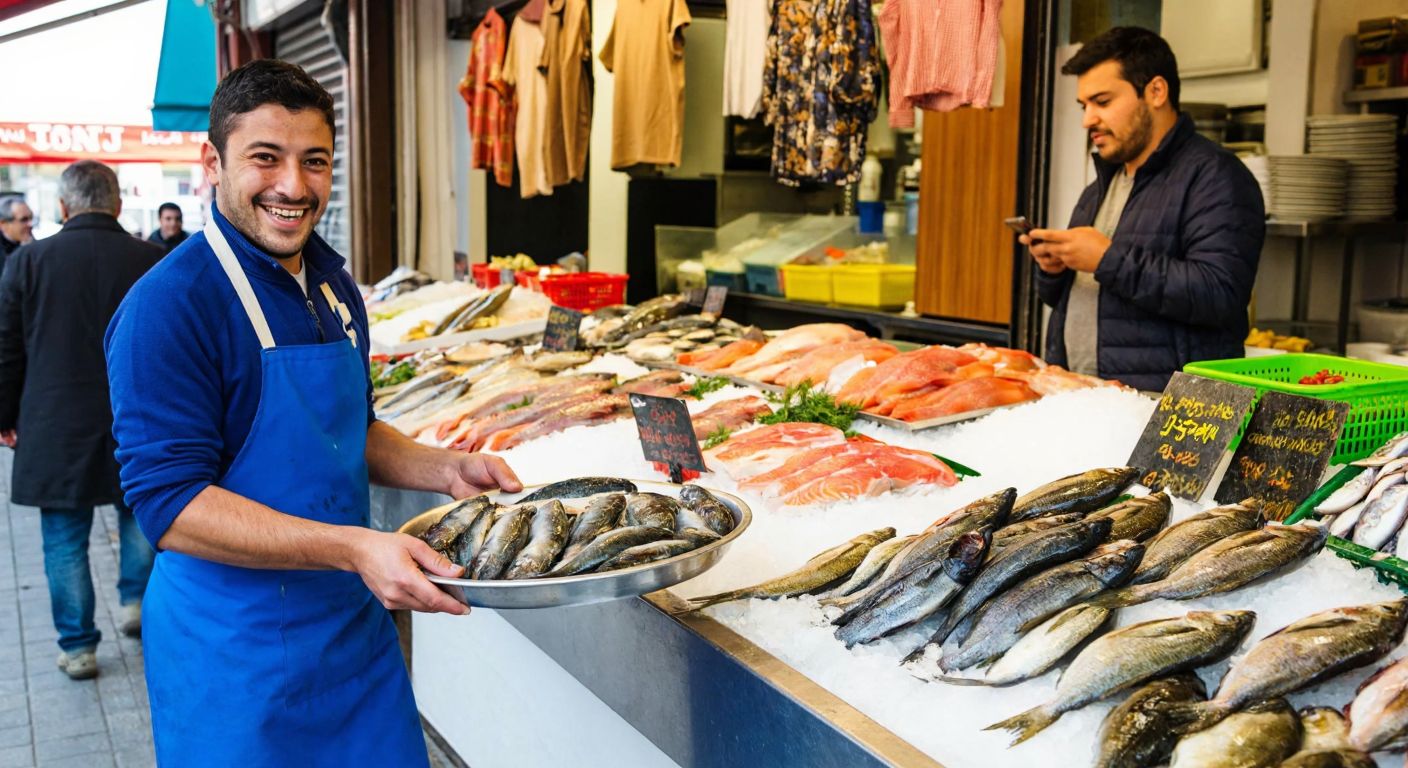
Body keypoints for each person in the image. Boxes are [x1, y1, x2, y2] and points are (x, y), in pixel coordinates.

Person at [105, 59, 521, 765]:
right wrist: (356, 546)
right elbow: (170, 508)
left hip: (350, 635)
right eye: (265, 159)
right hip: (235, 657)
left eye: (315, 161)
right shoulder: (168, 307)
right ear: (213, 162)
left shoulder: (331, 283)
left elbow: (352, 433)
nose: (293, 187)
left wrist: (444, 468)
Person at [1020, 27, 1265, 392]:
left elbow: (1220, 294)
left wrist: (1107, 259)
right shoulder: (1099, 187)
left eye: (1102, 102)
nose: (1088, 119)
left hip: (1168, 413)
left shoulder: (1217, 176)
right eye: (1084, 106)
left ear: (1155, 91)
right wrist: (1054, 271)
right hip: (1087, 401)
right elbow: (1068, 300)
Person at [0, 161, 160, 681]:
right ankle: (136, 603)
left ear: (64, 207)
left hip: (54, 422)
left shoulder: (27, 262)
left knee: (64, 537)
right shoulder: (152, 260)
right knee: (138, 513)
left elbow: (6, 351)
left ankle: (78, 646)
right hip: (137, 417)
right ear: (116, 204)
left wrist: (5, 416)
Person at [0, 195, 35, 272]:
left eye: (31, 218)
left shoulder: (31, 242)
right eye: (24, 220)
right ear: (3, 224)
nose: (30, 224)